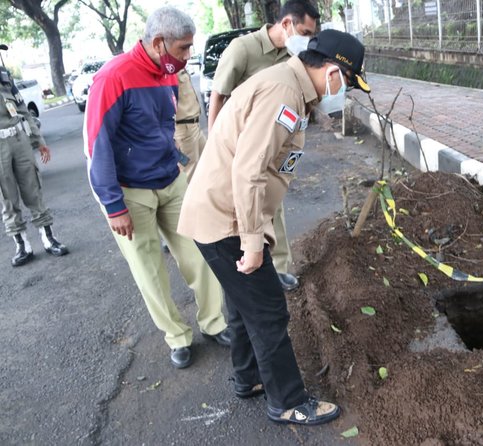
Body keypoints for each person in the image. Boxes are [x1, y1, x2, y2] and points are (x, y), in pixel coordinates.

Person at [178, 29, 370, 426]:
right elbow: (248, 172)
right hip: (227, 220)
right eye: (348, 83)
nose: (344, 92)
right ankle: (288, 399)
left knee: (242, 303)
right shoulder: (283, 94)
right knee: (268, 312)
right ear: (332, 72)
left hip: (218, 214)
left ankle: (249, 378)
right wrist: (252, 241)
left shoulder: (288, 86)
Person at [84, 7, 230, 370]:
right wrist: (113, 206)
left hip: (170, 179)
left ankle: (213, 322)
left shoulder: (167, 72)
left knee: (200, 252)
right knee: (150, 269)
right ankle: (177, 336)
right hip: (129, 192)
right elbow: (96, 145)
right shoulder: (113, 77)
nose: (188, 56)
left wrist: (176, 156)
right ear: (159, 42)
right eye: (183, 48)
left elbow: (158, 126)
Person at [207, 0, 320, 292]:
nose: (308, 39)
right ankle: (244, 267)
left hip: (272, 148)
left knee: (272, 207)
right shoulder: (243, 50)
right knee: (243, 211)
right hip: (241, 148)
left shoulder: (292, 56)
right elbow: (218, 96)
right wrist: (214, 148)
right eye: (305, 31)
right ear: (286, 24)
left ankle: (277, 268)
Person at [0, 43, 68, 267]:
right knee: (7, 197)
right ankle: (22, 245)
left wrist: (39, 141)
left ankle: (48, 238)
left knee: (33, 188)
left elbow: (23, 111)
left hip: (19, 140)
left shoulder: (4, 77)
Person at [174, 69, 205, 182]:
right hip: (184, 129)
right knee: (190, 174)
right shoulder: (168, 70)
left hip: (195, 125)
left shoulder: (178, 67)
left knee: (207, 163)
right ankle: (191, 199)